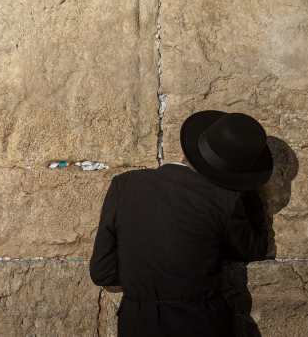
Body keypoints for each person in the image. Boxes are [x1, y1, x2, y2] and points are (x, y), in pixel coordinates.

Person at [90, 111, 271, 336]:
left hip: (138, 325)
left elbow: (102, 273)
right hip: (203, 325)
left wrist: (145, 282)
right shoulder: (224, 200)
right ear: (234, 175)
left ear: (194, 145)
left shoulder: (123, 185)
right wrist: (247, 190)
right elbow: (256, 248)